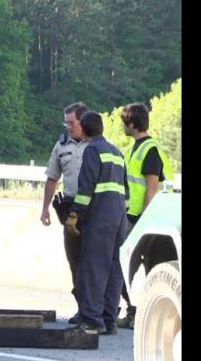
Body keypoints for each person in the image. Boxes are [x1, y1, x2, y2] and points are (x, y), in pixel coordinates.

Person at [65, 111, 128, 335]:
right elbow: (125, 190)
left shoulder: (92, 150)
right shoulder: (117, 152)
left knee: (93, 268)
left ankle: (92, 320)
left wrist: (75, 214)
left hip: (99, 217)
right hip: (119, 218)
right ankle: (108, 320)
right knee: (113, 269)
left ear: (84, 129)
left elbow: (86, 188)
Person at [116, 103, 175, 329]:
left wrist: (145, 220)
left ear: (132, 123)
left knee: (150, 266)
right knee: (124, 264)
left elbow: (151, 188)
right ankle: (133, 312)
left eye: (124, 122)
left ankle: (146, 316)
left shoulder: (150, 149)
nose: (123, 126)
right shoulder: (134, 149)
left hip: (149, 217)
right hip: (132, 214)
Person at [41, 101, 89, 324]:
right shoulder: (61, 145)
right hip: (70, 210)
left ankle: (106, 310)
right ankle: (82, 308)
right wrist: (45, 209)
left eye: (72, 122)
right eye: (66, 122)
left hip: (94, 210)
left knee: (96, 261)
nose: (68, 126)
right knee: (75, 260)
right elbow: (52, 177)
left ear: (83, 121)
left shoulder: (96, 144)